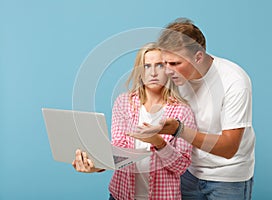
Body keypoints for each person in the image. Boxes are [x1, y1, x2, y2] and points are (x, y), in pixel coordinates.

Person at [72, 42, 197, 200]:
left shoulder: (182, 111)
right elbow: (119, 151)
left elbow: (181, 166)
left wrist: (159, 142)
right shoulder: (124, 103)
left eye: (159, 65)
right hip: (121, 195)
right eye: (146, 66)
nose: (153, 73)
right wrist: (97, 166)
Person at [154, 18, 255, 199]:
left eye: (175, 63)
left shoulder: (234, 80)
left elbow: (229, 148)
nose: (168, 71)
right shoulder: (173, 78)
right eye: (165, 63)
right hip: (188, 172)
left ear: (198, 57)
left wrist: (179, 130)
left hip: (227, 177)